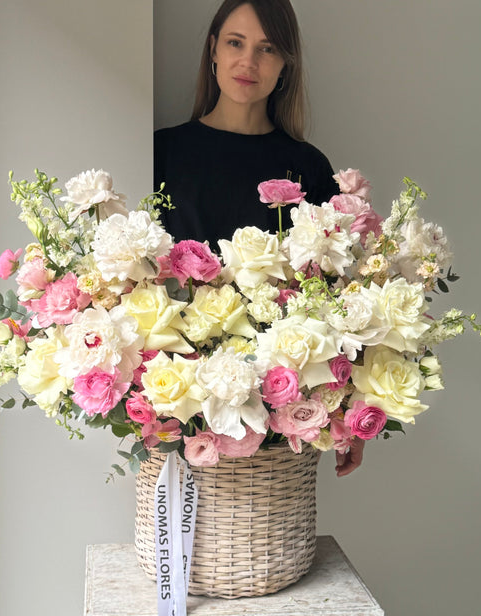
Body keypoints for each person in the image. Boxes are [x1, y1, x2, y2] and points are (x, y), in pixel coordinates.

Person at [154, 0, 364, 476]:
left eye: (267, 49)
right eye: (235, 43)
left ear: (285, 65)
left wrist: (352, 415)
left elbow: (335, 299)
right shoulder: (162, 152)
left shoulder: (308, 166)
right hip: (178, 401)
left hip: (279, 409)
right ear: (213, 50)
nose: (248, 62)